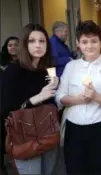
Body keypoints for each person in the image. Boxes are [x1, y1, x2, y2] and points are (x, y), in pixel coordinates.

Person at [55, 20, 101, 175]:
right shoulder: (71, 66)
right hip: (74, 129)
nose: (89, 46)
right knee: (74, 170)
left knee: (99, 170)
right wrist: (78, 99)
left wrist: (96, 96)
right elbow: (60, 96)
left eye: (94, 41)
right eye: (84, 42)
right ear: (78, 43)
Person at [0, 23, 59, 174]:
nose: (38, 45)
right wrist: (37, 98)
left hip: (48, 132)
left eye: (42, 41)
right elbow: (5, 110)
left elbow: (52, 104)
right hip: (25, 137)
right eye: (32, 41)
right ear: (24, 44)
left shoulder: (47, 68)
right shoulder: (13, 71)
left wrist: (57, 88)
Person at [0, 36, 19, 174]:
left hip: (19, 103)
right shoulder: (2, 64)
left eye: (15, 44)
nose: (12, 47)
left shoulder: (25, 63)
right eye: (10, 45)